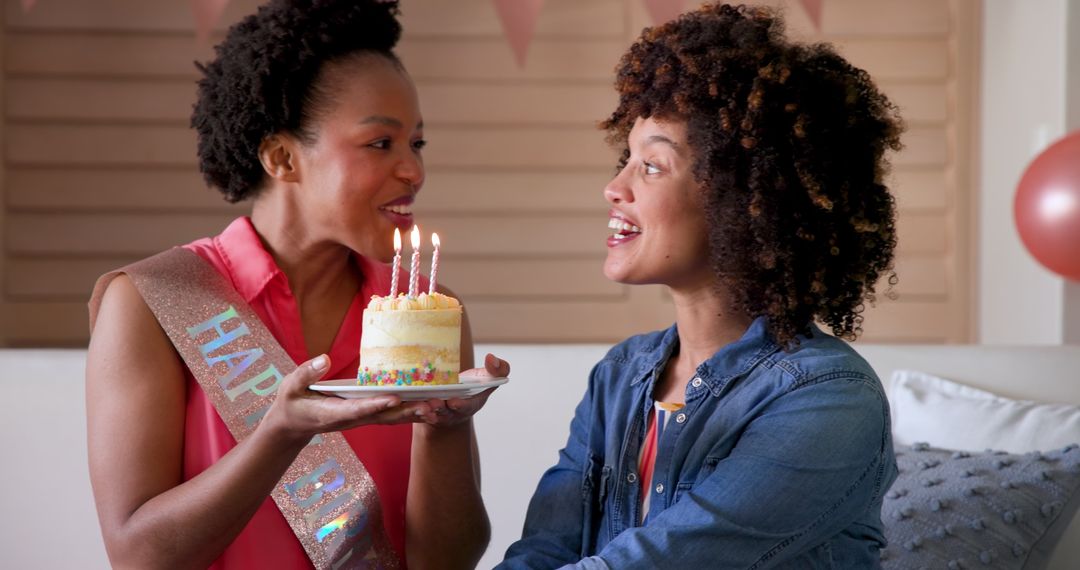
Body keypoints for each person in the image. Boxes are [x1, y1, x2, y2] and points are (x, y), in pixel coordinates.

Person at [85, 1, 506, 568]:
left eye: (417, 144)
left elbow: (446, 563)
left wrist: (446, 428)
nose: (414, 171)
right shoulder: (155, 302)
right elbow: (138, 558)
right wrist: (277, 435)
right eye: (381, 143)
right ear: (283, 158)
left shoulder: (425, 313)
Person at [499, 4, 903, 568]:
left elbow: (657, 562)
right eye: (626, 159)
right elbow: (543, 550)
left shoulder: (829, 396)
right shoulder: (620, 375)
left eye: (653, 166)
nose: (614, 187)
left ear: (741, 202)